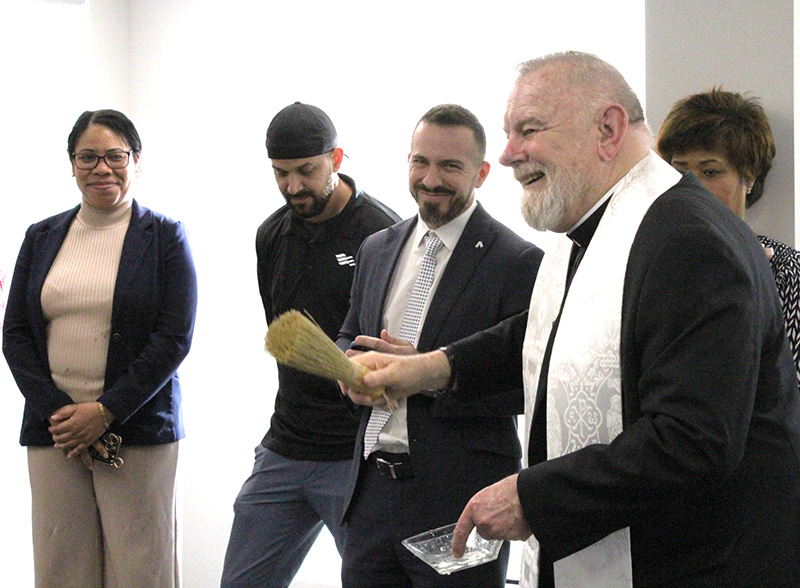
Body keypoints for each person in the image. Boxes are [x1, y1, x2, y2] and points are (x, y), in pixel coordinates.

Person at [344, 52, 800, 588]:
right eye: (508, 133)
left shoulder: (690, 240)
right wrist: (428, 368)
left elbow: (692, 439)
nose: (508, 154)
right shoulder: (593, 225)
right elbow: (549, 333)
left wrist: (530, 496)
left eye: (528, 130)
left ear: (608, 129)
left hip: (697, 563)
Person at [336, 104, 543, 587]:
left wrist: (429, 374)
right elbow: (349, 332)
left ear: (482, 173)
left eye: (450, 166)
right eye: (421, 162)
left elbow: (528, 383)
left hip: (460, 502)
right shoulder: (376, 248)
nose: (431, 180)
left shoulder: (518, 261)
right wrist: (348, 369)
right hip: (369, 496)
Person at [2, 109, 198, 588]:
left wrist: (106, 411)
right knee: (61, 567)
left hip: (138, 428)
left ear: (136, 161)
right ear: (72, 164)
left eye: (115, 156)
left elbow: (174, 337)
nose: (101, 168)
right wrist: (61, 415)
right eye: (87, 157)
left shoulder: (165, 237)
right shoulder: (41, 236)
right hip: (56, 434)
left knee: (140, 568)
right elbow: (16, 334)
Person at [220, 102, 400, 588]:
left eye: (306, 171)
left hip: (356, 454)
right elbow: (281, 333)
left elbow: (400, 343)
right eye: (280, 173)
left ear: (336, 158)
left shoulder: (383, 234)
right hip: (286, 445)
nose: (293, 186)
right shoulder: (271, 235)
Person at [656, 88, 800, 381]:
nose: (691, 185)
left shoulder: (785, 271)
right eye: (680, 170)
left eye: (710, 172)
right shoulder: (651, 266)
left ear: (749, 176)